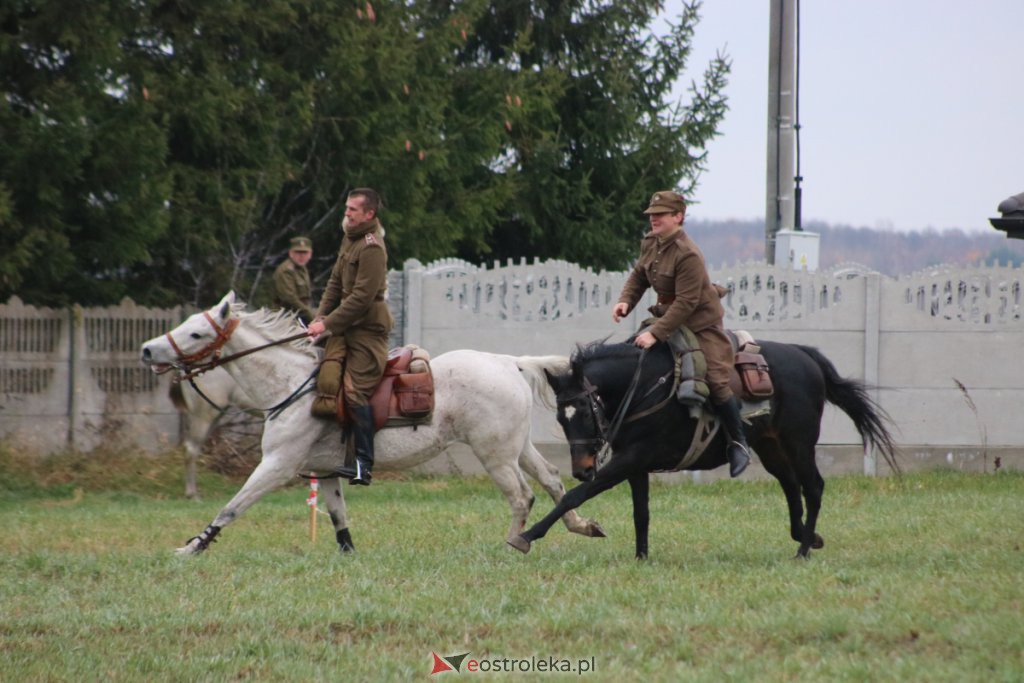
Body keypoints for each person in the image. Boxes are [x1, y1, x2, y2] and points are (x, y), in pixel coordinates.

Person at [612, 190, 751, 477]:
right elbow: (639, 275)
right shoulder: (651, 242)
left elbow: (687, 303)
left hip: (700, 324)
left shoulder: (688, 254)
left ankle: (738, 443)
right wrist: (626, 300)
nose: (654, 220)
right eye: (652, 215)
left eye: (660, 215)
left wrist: (656, 334)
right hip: (667, 317)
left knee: (714, 378)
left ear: (679, 217)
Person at [307, 188, 394, 485]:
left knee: (355, 391)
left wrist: (328, 323)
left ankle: (363, 464)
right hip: (345, 326)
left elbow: (361, 298)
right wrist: (320, 317)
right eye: (346, 208)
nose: (346, 214)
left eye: (353, 210)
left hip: (367, 332)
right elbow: (334, 282)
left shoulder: (372, 247)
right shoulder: (350, 238)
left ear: (369, 214)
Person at [272, 236, 316, 324]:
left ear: (310, 254)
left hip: (299, 316)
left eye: (305, 253)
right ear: (291, 253)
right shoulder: (286, 270)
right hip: (285, 318)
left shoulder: (302, 269)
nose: (301, 256)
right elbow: (290, 299)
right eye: (298, 252)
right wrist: (311, 317)